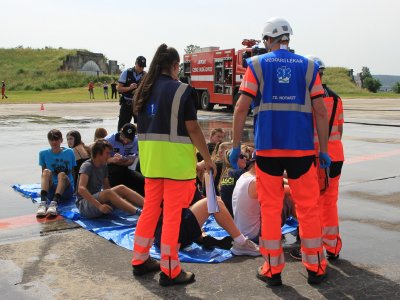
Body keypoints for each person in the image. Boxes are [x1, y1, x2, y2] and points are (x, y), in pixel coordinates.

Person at [230, 17, 331, 286]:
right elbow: (321, 111)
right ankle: (316, 266)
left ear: (267, 40)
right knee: (308, 209)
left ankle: (272, 269)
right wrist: (323, 149)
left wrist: (235, 145)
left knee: (271, 210)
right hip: (302, 151)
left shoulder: (257, 65)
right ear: (288, 38)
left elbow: (241, 108)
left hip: (268, 151)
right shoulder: (309, 67)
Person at [131, 44, 216, 286]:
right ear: (175, 66)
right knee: (172, 216)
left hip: (151, 164)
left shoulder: (143, 91)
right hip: (176, 167)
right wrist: (207, 159)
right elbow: (192, 128)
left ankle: (140, 260)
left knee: (150, 210)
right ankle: (170, 270)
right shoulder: (181, 91)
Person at [290, 56, 344, 261]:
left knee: (309, 203)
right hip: (335, 155)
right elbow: (339, 128)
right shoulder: (337, 98)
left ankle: (310, 248)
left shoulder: (307, 97)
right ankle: (332, 246)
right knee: (330, 202)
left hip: (313, 156)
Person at [154, 196, 260, 256]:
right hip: (168, 234)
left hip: (164, 232)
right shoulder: (176, 176)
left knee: (212, 201)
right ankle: (241, 243)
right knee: (214, 202)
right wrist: (207, 162)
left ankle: (201, 237)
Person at [232, 157, 295, 243]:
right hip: (253, 235)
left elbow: (279, 179)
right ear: (256, 164)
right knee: (289, 198)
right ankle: (306, 230)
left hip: (242, 232)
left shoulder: (244, 176)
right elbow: (291, 190)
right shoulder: (256, 182)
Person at [77, 139, 143, 218]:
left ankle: (151, 207)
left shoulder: (104, 166)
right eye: (107, 153)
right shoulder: (87, 166)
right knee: (108, 192)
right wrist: (99, 206)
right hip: (85, 205)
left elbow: (107, 188)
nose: (109, 156)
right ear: (98, 154)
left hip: (98, 201)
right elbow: (81, 189)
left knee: (121, 188)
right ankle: (140, 213)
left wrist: (119, 199)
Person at [37, 129, 76, 217]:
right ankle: (43, 203)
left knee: (62, 174)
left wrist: (76, 189)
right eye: (51, 140)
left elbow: (73, 171)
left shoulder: (70, 152)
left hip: (66, 189)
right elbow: (43, 174)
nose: (54, 142)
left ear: (61, 140)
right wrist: (43, 189)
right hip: (52, 189)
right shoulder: (43, 154)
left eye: (56, 139)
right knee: (46, 171)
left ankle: (54, 203)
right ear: (48, 141)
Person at [105, 123, 144, 196]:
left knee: (143, 181)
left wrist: (120, 161)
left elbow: (130, 161)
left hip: (124, 168)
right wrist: (112, 160)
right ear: (120, 132)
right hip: (109, 169)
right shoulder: (109, 140)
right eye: (124, 137)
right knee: (116, 172)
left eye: (129, 140)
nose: (126, 141)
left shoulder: (135, 140)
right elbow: (101, 160)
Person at [117, 56, 147, 130]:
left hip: (139, 104)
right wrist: (129, 88)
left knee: (142, 127)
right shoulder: (126, 72)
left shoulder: (146, 75)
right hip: (127, 103)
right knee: (122, 127)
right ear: (135, 63)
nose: (141, 68)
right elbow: (119, 88)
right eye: (140, 66)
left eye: (143, 66)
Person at [219, 149, 247, 217]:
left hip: (228, 215)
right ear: (233, 158)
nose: (245, 158)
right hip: (238, 216)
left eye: (245, 156)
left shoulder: (226, 173)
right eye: (241, 156)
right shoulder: (239, 173)